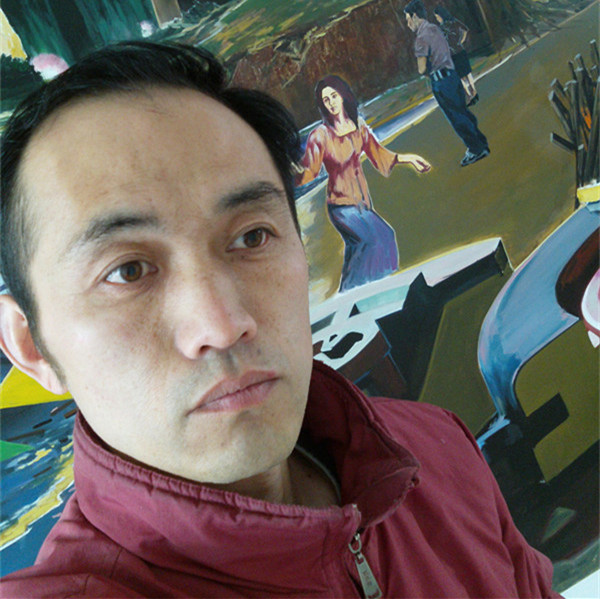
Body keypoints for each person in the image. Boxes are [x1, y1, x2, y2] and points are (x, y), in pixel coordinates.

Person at [0, 41, 560, 598]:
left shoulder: (434, 450)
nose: (222, 325)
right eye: (127, 271)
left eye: (252, 237)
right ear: (31, 344)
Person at [296, 75, 431, 292]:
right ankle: (375, 287)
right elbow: (309, 172)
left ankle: (349, 292)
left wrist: (408, 158)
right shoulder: (320, 135)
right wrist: (287, 177)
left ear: (342, 96)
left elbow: (379, 154)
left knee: (359, 251)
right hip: (341, 206)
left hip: (363, 203)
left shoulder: (358, 125)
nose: (331, 103)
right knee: (379, 238)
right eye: (325, 100)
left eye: (333, 96)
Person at [404, 0, 490, 166]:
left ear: (415, 16)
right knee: (463, 111)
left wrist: (428, 69)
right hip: (452, 75)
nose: (408, 24)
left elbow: (421, 69)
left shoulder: (421, 38)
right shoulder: (436, 29)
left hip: (441, 81)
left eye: (408, 19)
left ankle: (476, 149)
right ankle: (480, 142)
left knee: (456, 117)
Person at [434, 5, 479, 105]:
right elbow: (465, 30)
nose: (437, 19)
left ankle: (471, 94)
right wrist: (460, 41)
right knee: (464, 74)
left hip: (455, 53)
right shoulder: (449, 24)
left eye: (437, 17)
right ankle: (472, 94)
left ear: (441, 15)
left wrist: (460, 41)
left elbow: (465, 30)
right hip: (456, 52)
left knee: (463, 74)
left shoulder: (447, 25)